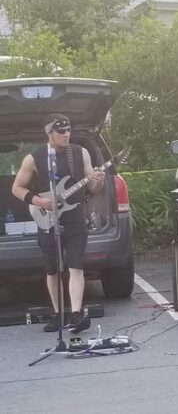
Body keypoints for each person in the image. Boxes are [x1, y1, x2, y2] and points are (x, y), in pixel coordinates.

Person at [11, 114, 106, 333]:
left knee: (76, 265)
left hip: (75, 216)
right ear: (49, 132)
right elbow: (17, 188)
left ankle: (75, 314)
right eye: (61, 131)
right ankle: (57, 314)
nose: (66, 134)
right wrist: (38, 201)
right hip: (47, 217)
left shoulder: (80, 153)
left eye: (69, 130)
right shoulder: (34, 158)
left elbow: (92, 188)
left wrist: (97, 183)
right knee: (52, 269)